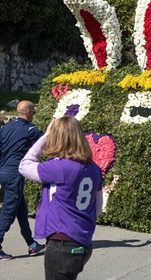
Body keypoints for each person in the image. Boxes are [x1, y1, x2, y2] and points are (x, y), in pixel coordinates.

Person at [19, 116, 103, 280]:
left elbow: (24, 165)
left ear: (57, 138)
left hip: (61, 244)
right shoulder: (94, 169)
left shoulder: (60, 167)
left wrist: (45, 137)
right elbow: (97, 208)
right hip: (83, 242)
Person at [0, 100, 46, 261]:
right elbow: (46, 141)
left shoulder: (5, 127)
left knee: (21, 209)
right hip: (15, 175)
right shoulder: (30, 129)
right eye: (33, 112)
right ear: (28, 113)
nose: (33, 115)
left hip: (4, 173)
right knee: (8, 212)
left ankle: (31, 244)